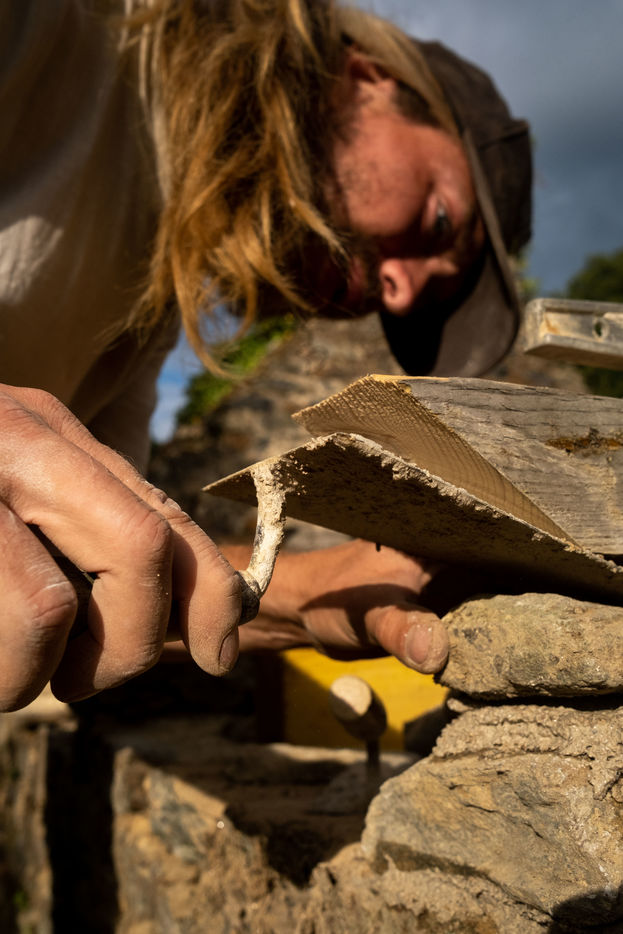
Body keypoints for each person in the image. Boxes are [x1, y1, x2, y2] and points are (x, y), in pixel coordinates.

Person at [0, 0, 531, 711]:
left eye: (419, 303)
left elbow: (107, 577)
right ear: (370, 80)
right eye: (439, 221)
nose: (400, 295)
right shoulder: (71, 26)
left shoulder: (145, 315)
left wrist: (309, 594)